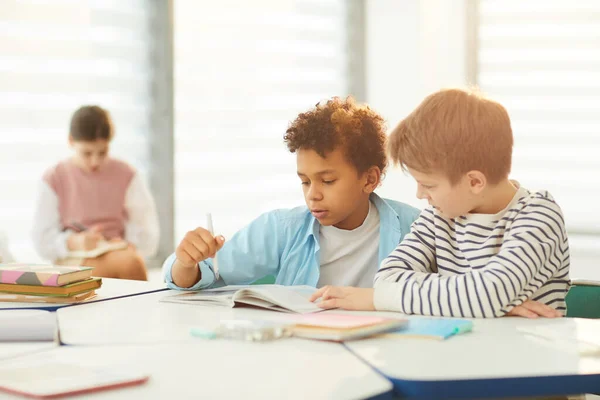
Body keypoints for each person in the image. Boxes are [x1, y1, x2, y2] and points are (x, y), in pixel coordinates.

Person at [310, 89, 570, 319]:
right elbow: (386, 279)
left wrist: (488, 300)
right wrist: (485, 303)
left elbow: (489, 296)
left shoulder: (538, 215)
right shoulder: (439, 217)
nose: (420, 195)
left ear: (475, 182)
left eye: (429, 185)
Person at [163, 97, 420, 290]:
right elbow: (203, 276)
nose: (313, 195)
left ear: (370, 179)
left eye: (327, 181)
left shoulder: (416, 229)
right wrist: (187, 264)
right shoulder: (282, 229)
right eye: (305, 182)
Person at [32, 105, 159, 281]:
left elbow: (146, 229)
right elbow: (42, 240)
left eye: (102, 152)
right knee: (128, 266)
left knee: (129, 262)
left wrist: (127, 243)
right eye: (87, 153)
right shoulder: (54, 178)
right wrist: (74, 242)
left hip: (116, 250)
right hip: (73, 256)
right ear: (70, 141)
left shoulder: (126, 174)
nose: (95, 161)